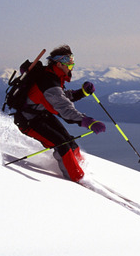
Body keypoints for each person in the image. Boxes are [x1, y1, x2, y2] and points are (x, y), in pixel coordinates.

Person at [13, 45, 106, 182]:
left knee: (70, 142)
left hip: (41, 115)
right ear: (58, 63)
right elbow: (64, 108)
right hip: (29, 121)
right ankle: (77, 180)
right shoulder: (48, 81)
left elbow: (59, 97)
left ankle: (82, 168)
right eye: (69, 63)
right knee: (61, 144)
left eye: (72, 62)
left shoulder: (52, 75)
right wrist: (87, 121)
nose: (72, 66)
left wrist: (81, 93)